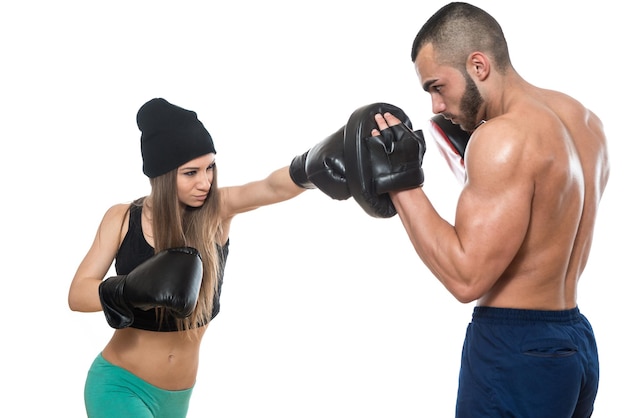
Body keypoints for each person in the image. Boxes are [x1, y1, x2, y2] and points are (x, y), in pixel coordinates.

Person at [356, 2, 608, 417]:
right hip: (573, 344)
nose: (436, 106)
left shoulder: (502, 140)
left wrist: (400, 183)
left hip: (515, 350)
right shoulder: (584, 121)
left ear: (478, 65)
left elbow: (466, 277)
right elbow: (537, 210)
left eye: (437, 86)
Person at [67, 97, 344, 417]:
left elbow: (271, 187)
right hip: (119, 385)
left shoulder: (217, 211)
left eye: (210, 167)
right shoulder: (122, 218)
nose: (205, 182)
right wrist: (129, 289)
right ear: (163, 175)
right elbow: (77, 294)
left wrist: (314, 164)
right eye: (190, 172)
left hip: (177, 399)